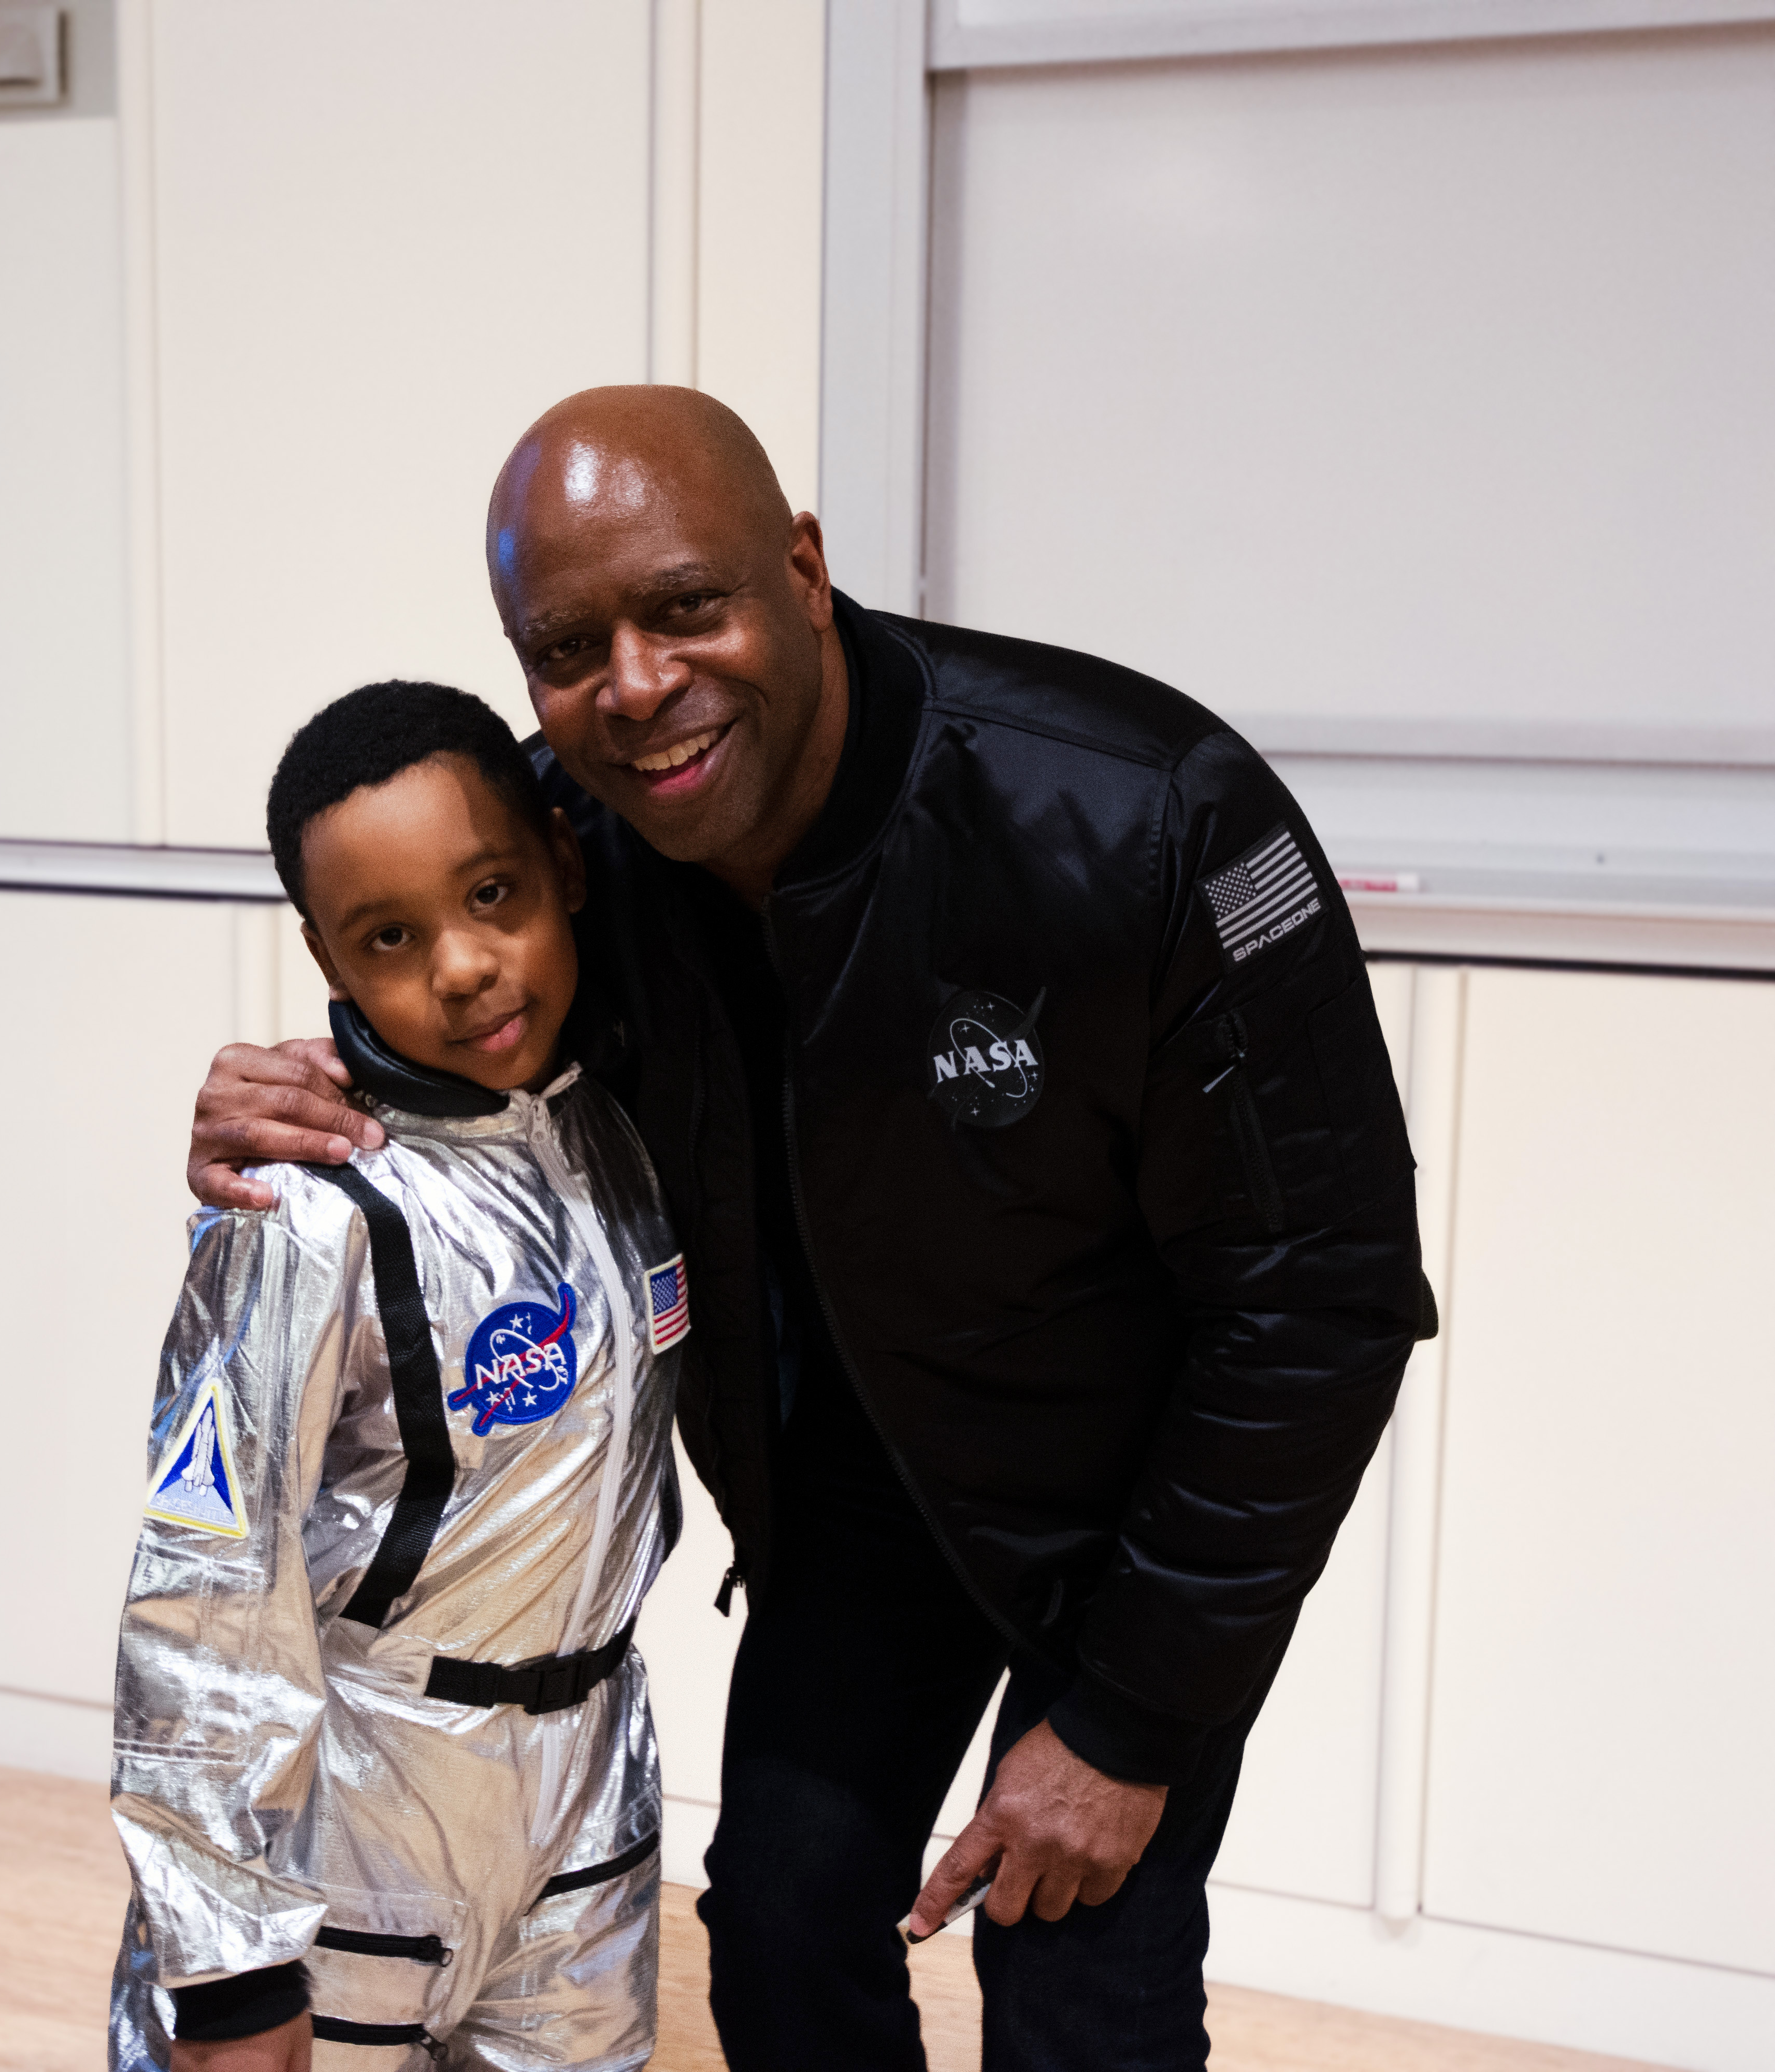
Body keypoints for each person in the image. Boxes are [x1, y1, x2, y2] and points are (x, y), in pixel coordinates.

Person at [185, 388, 1428, 2071]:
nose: (635, 686)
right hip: (863, 1490)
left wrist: (1128, 1721)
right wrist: (302, 1085)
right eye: (568, 645)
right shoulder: (577, 834)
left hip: (1143, 1500)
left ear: (803, 568)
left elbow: (1321, 1296)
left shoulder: (1149, 812)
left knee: (1080, 1986)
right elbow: (459, 999)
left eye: (685, 607)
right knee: (780, 1923)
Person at [111, 682, 688, 2072]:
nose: (465, 965)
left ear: (563, 860)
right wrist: (228, 1966)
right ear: (326, 959)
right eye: (390, 937)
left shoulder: (632, 1125)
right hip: (358, 1824)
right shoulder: (304, 1209)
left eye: (492, 894)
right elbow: (204, 1593)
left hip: (585, 1812)